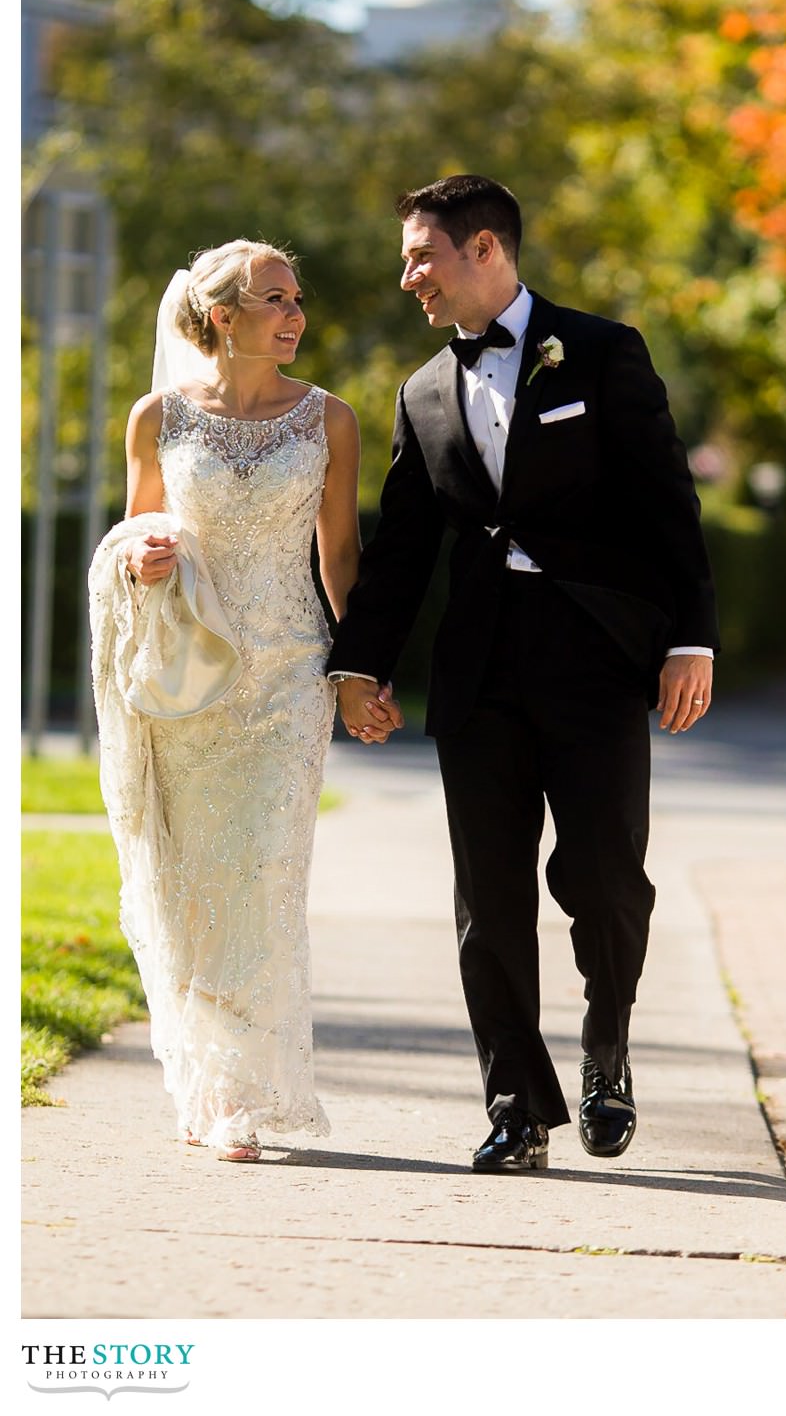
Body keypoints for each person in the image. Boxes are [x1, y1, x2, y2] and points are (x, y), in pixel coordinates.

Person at [329, 176, 718, 1173]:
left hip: (596, 658)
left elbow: (669, 506)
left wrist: (692, 640)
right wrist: (360, 662)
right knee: (487, 900)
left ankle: (607, 1053)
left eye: (423, 255)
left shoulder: (602, 351)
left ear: (485, 247)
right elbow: (404, 546)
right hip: (480, 672)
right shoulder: (423, 391)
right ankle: (516, 1106)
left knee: (604, 878)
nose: (408, 274)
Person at [89, 239, 398, 1162]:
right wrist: (140, 559)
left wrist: (361, 670)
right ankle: (208, 1081)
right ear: (221, 317)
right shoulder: (158, 418)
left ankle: (249, 1096)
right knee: (194, 891)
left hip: (287, 678)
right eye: (275, 300)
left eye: (297, 298)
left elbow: (339, 557)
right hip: (191, 683)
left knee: (265, 876)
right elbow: (140, 533)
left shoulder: (329, 421)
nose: (295, 314)